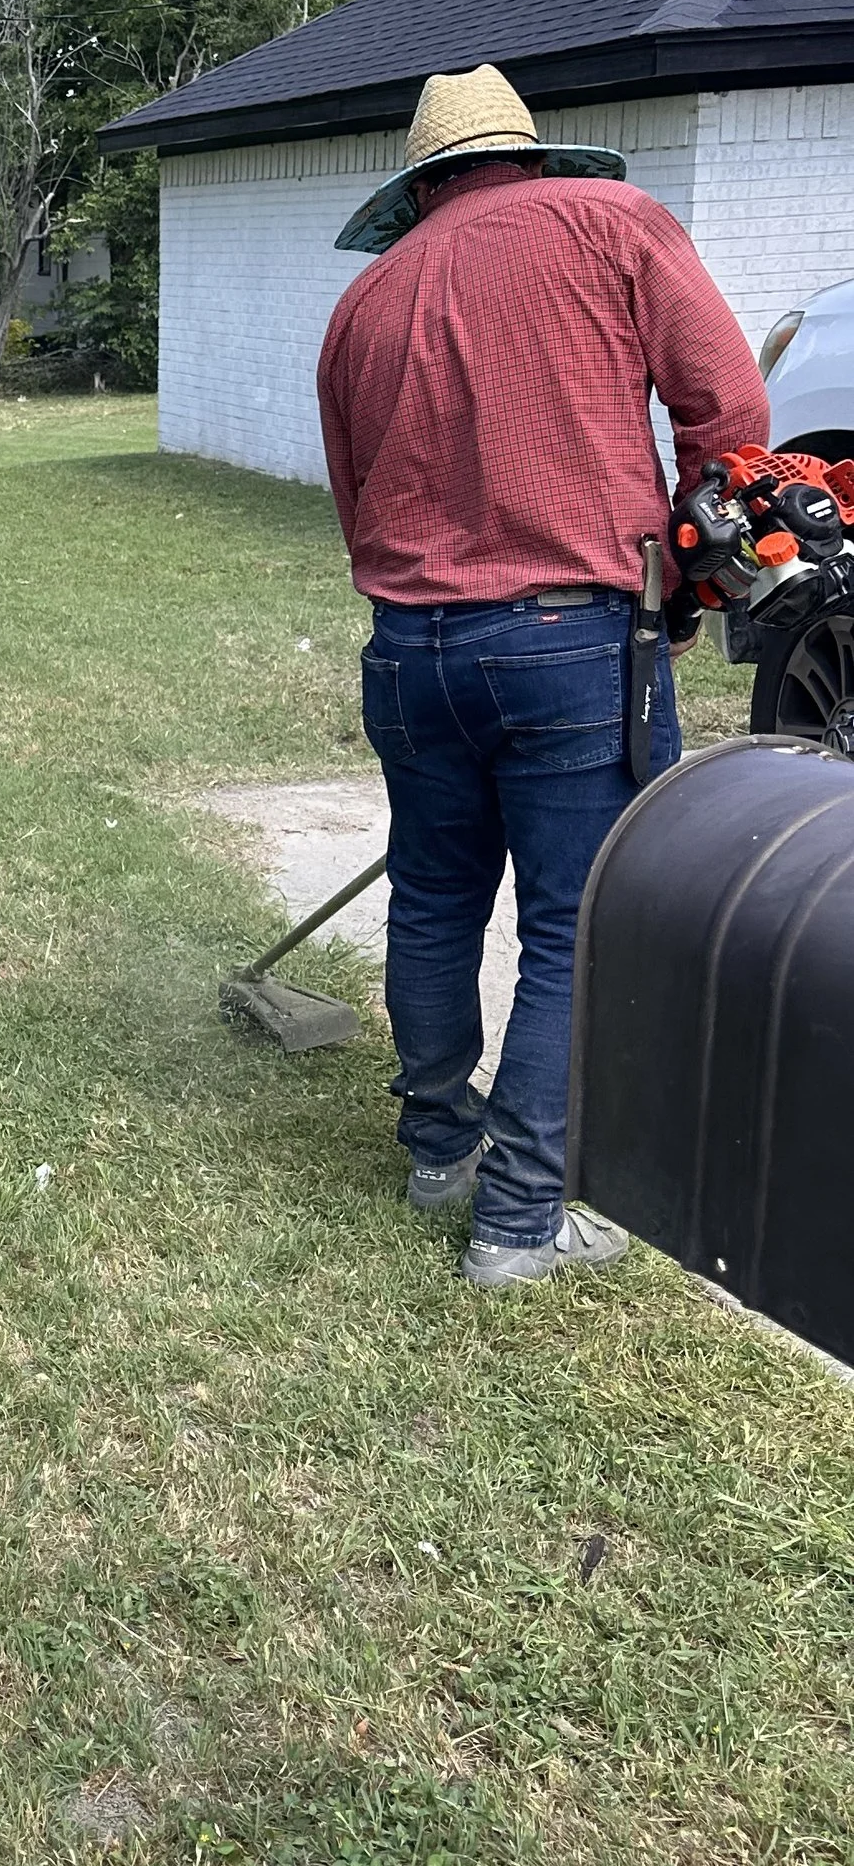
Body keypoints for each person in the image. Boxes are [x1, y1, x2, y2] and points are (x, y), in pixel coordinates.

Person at [315, 65, 768, 1289]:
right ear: (528, 156)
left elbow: (357, 495)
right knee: (579, 922)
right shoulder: (613, 226)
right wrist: (694, 564)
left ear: (426, 180)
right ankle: (521, 1220)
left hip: (408, 649)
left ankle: (439, 1151)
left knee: (432, 895)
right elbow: (726, 411)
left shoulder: (366, 301)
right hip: (569, 635)